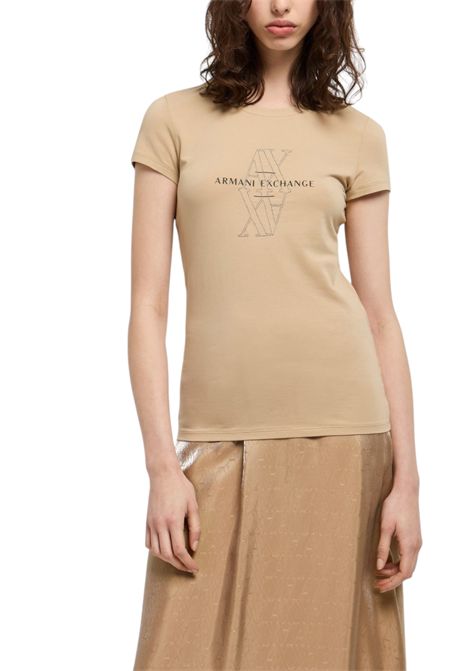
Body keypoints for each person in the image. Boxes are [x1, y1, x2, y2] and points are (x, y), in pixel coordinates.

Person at [128, 1, 422, 669]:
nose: (281, 5)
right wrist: (161, 467)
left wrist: (406, 483)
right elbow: (147, 307)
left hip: (343, 432)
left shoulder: (359, 136)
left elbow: (380, 312)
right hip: (216, 430)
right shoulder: (172, 120)